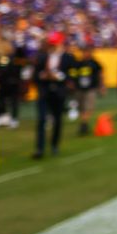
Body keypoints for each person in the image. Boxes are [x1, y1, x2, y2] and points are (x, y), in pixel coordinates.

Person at [33, 30, 75, 158]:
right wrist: (43, 75)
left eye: (55, 43)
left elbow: (71, 75)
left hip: (59, 93)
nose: (53, 46)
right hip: (45, 92)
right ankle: (39, 149)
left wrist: (58, 77)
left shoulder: (67, 58)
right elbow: (35, 75)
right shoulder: (42, 57)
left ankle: (54, 145)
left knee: (57, 120)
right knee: (41, 119)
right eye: (51, 44)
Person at [69, 39, 104, 136]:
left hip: (91, 88)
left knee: (89, 106)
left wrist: (102, 86)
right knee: (81, 107)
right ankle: (84, 122)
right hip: (80, 89)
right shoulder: (78, 63)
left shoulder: (94, 63)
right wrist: (72, 84)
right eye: (84, 52)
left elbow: (100, 74)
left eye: (87, 52)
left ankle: (84, 123)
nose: (86, 54)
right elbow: (73, 75)